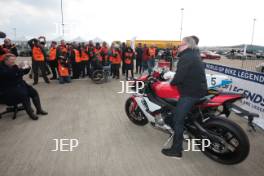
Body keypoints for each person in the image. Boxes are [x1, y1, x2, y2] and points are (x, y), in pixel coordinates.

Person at [161, 36, 208, 159]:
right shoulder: (194, 55)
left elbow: (179, 77)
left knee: (177, 120)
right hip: (199, 90)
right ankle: (182, 132)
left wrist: (171, 82)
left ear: (187, 45)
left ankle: (176, 150)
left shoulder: (186, 57)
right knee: (178, 114)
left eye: (180, 45)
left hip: (190, 93)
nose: (179, 47)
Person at [0, 54, 48, 120]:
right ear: (6, 60)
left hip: (20, 84)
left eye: (14, 60)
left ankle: (39, 110)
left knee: (34, 92)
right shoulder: (2, 68)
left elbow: (20, 73)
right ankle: (31, 114)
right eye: (11, 60)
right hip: (9, 87)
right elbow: (10, 74)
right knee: (24, 95)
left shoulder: (13, 66)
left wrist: (27, 68)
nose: (13, 61)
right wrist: (18, 67)